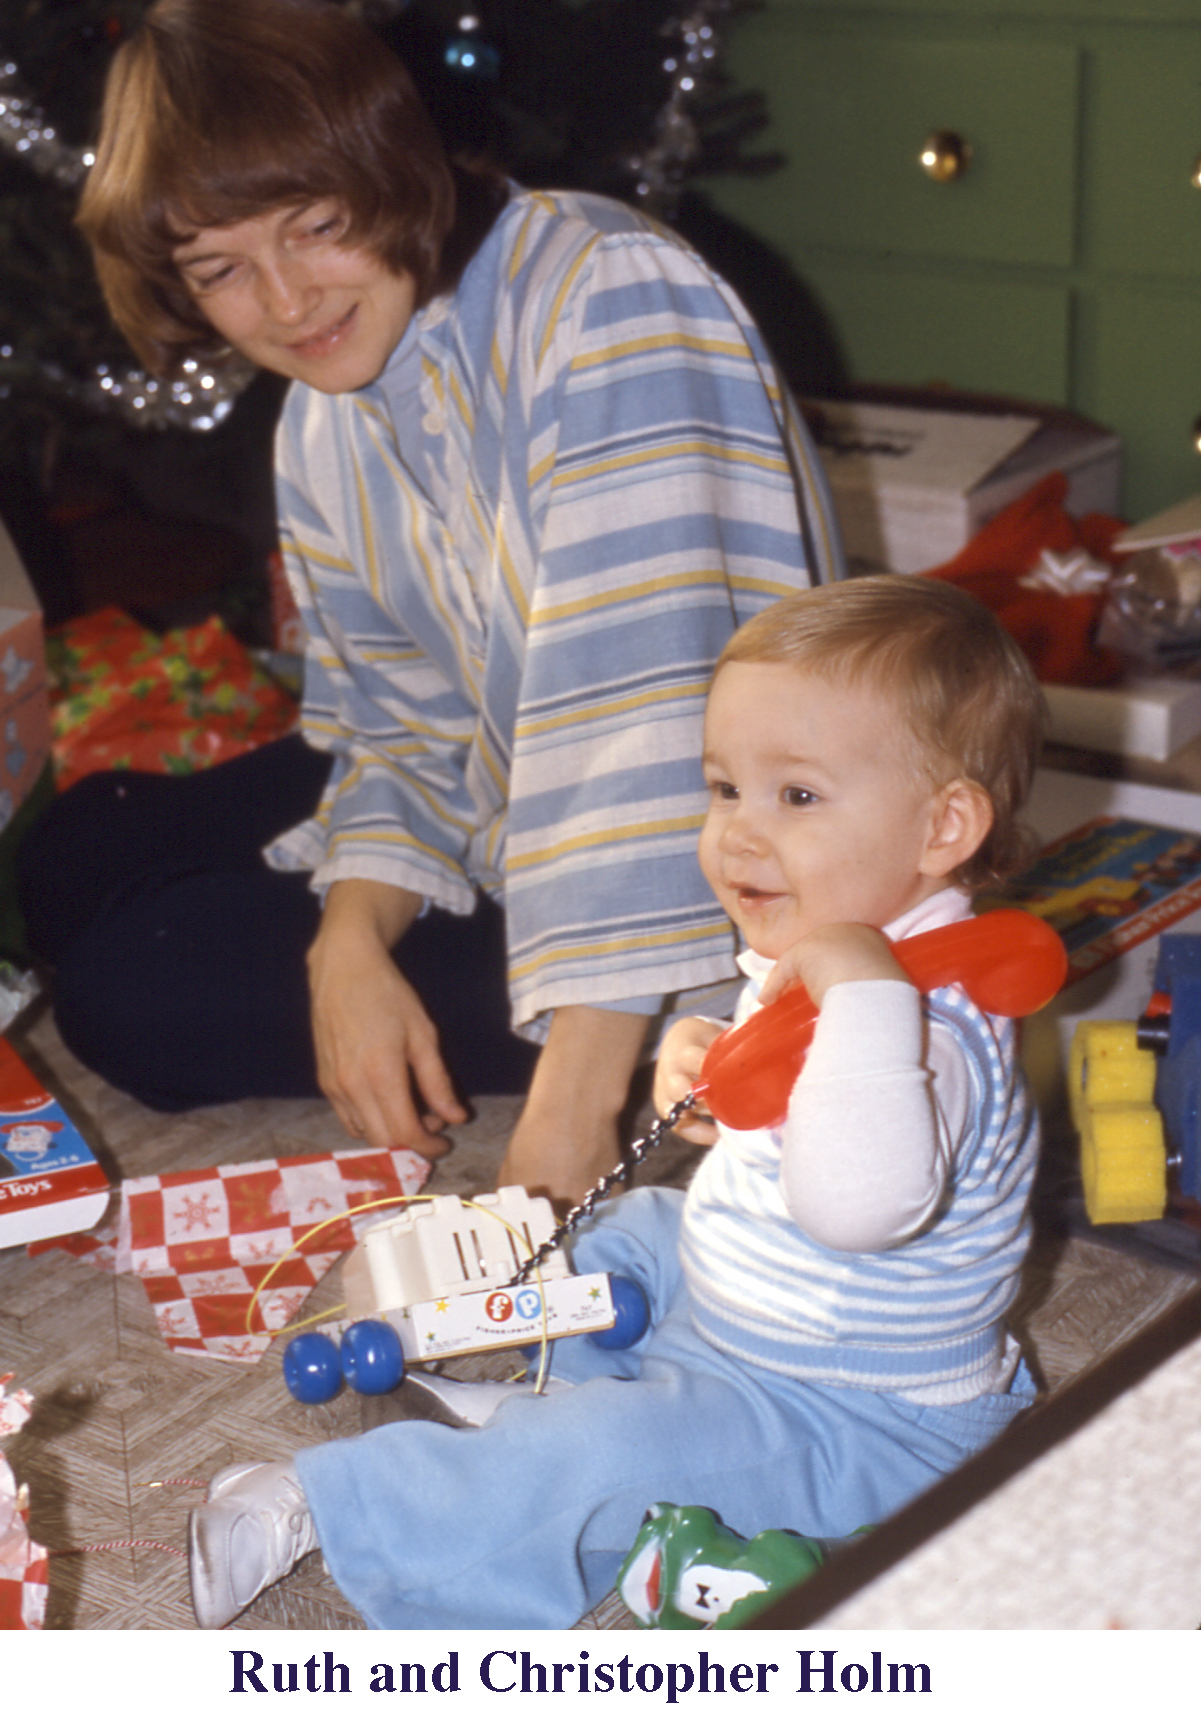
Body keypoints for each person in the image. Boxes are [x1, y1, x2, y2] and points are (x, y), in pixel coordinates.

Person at [17, 0, 842, 1207]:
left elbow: (642, 727)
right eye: (222, 269)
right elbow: (396, 726)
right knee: (76, 850)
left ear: (388, 164)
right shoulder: (323, 419)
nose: (287, 303)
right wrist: (348, 946)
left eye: (310, 224)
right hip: (507, 780)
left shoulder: (605, 298)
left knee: (137, 988)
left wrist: (564, 1133)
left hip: (708, 863)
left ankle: (631, 1040)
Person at [188, 575, 1046, 1632]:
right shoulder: (837, 936)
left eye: (798, 796)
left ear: (942, 827)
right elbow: (786, 1110)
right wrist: (709, 1068)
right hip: (745, 1305)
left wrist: (859, 993)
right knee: (629, 1226)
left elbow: (856, 1207)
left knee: (612, 1458)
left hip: (849, 1414)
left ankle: (347, 1505)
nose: (737, 831)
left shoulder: (920, 1018)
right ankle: (553, 1399)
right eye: (724, 787)